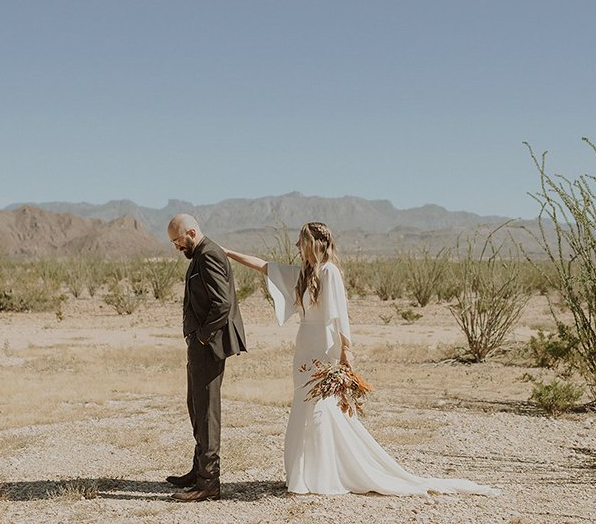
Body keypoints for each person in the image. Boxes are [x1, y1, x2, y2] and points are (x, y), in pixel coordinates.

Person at [224, 221, 498, 496]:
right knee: (303, 406)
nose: (296, 246)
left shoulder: (329, 272)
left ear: (314, 243)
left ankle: (327, 473)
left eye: (301, 241)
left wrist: (346, 350)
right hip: (304, 346)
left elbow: (340, 314)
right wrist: (226, 252)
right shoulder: (304, 275)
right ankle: (305, 473)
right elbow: (263, 266)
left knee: (322, 408)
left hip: (324, 346)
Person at [166, 214, 247, 502]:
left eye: (178, 240)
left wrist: (201, 335)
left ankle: (209, 482)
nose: (177, 246)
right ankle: (199, 470)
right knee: (196, 405)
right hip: (200, 345)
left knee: (207, 411)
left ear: (191, 232)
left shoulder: (209, 254)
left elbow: (222, 303)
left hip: (209, 346)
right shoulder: (199, 255)